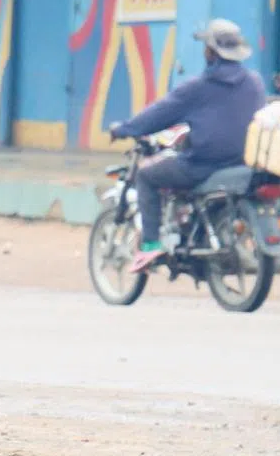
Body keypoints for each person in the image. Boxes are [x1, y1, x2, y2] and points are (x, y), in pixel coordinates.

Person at [109, 19, 266, 273]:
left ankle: (149, 245)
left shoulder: (198, 87)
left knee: (147, 175)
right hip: (242, 162)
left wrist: (126, 128)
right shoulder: (255, 82)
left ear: (210, 53)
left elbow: (159, 113)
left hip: (204, 165)